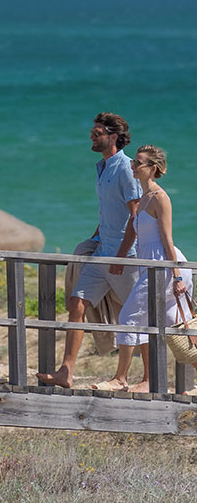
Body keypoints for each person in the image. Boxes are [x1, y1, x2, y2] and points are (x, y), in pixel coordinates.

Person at [36, 113, 141, 389]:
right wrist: (97, 234)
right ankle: (66, 372)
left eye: (97, 132)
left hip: (125, 257)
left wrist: (121, 255)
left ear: (113, 137)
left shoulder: (128, 169)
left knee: (142, 318)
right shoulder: (103, 167)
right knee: (76, 303)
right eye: (92, 133)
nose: (92, 137)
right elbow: (111, 209)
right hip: (101, 253)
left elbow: (136, 216)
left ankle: (148, 378)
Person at [95, 145, 192, 392]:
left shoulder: (160, 198)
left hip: (164, 267)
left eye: (138, 163)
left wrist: (177, 276)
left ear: (153, 169)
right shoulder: (144, 196)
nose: (133, 166)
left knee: (129, 316)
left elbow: (167, 241)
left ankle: (120, 379)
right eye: (133, 162)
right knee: (176, 323)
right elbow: (133, 231)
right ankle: (140, 381)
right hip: (150, 266)